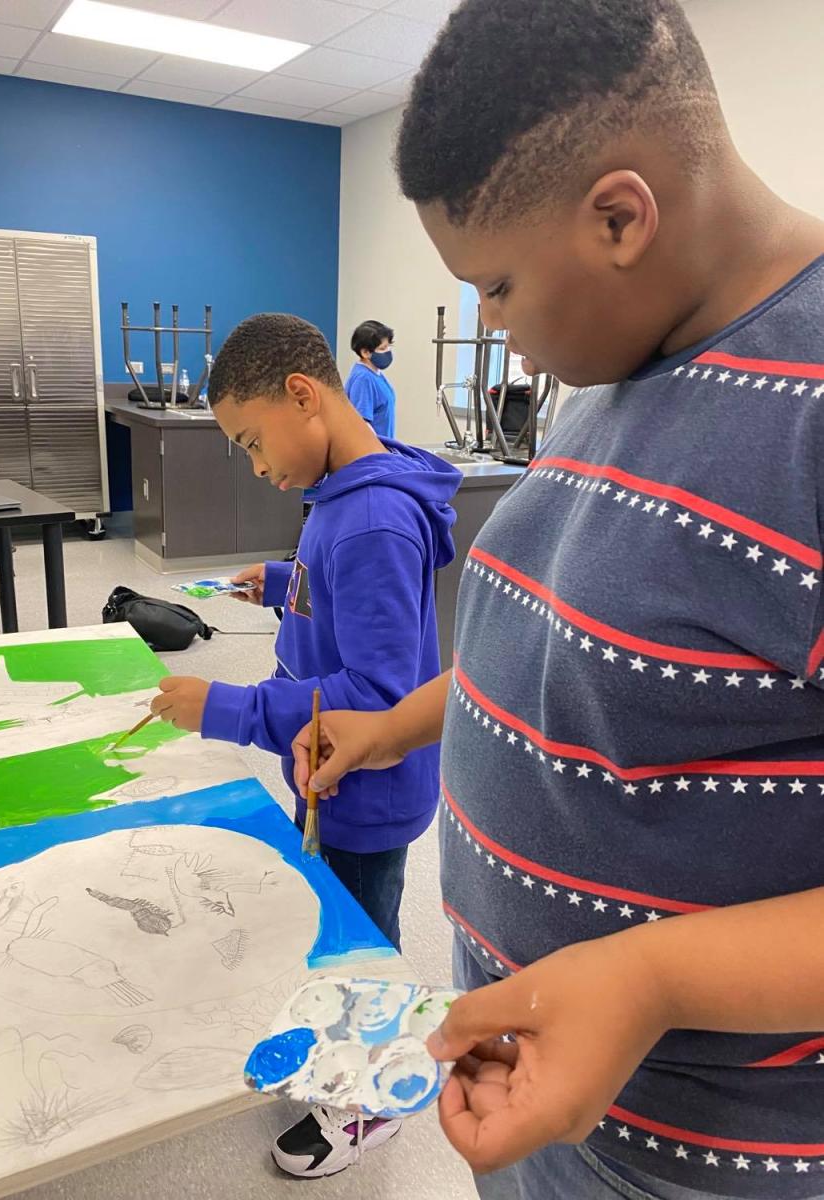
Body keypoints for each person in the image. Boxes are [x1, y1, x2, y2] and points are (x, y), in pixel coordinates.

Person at [289, 1, 824, 1197]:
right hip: (549, 1105)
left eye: (495, 284)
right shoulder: (622, 358)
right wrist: (401, 721)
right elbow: (556, 643)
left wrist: (652, 979)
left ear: (621, 216)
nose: (491, 324)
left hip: (707, 1163)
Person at [149, 312, 461, 1179]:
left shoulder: (368, 522)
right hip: (325, 776)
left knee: (362, 944)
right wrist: (290, 583)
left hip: (365, 785)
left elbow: (382, 701)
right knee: (332, 926)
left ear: (302, 395)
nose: (257, 466)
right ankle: (334, 1051)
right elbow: (354, 608)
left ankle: (367, 1103)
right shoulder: (348, 502)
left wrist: (230, 708)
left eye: (252, 442)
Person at [345, 319, 396, 439]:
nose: (388, 352)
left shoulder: (375, 373)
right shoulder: (363, 378)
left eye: (388, 347)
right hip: (374, 453)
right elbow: (361, 426)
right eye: (383, 349)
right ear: (365, 352)